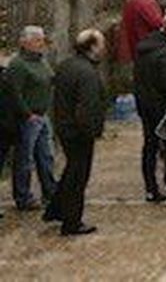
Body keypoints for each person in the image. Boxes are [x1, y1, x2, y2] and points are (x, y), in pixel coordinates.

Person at [49, 29, 106, 236]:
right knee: (78, 175)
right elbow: (87, 106)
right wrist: (92, 131)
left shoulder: (67, 65)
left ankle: (56, 209)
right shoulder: (87, 73)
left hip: (65, 127)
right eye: (100, 44)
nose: (104, 48)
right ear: (92, 47)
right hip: (78, 132)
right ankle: (72, 221)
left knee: (71, 170)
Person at [132, 16, 166, 203]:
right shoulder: (165, 53)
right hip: (161, 106)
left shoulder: (144, 49)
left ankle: (150, 187)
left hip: (145, 104)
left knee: (149, 146)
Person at [9, 26, 56, 212]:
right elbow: (14, 93)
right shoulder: (18, 65)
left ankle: (50, 191)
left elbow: (50, 79)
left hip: (43, 115)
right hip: (28, 117)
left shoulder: (42, 61)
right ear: (25, 42)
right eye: (37, 40)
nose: (41, 43)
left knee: (46, 156)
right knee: (25, 159)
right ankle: (23, 196)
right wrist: (27, 114)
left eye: (41, 40)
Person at [118, 0, 165, 65]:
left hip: (133, 40)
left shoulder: (131, 1)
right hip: (145, 40)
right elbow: (157, 22)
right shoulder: (146, 3)